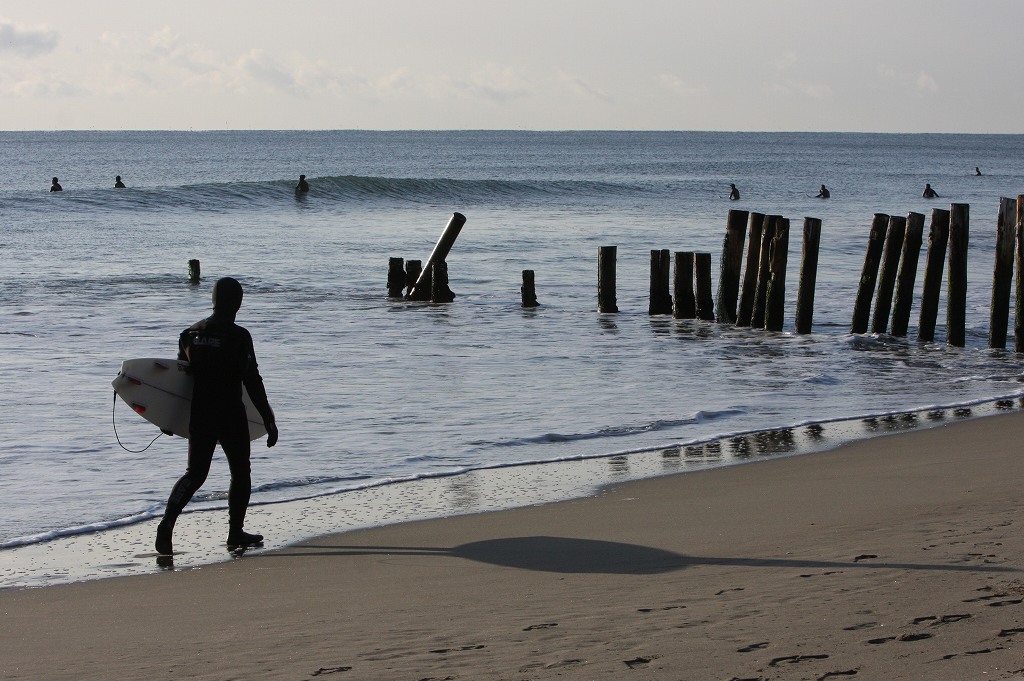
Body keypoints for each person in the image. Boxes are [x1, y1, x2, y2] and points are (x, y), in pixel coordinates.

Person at [155, 277, 279, 555]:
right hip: (230, 413)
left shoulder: (189, 334)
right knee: (240, 471)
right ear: (238, 302)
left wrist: (167, 418)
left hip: (200, 414)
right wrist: (268, 420)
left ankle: (166, 523)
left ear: (213, 300)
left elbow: (180, 382)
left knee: (195, 473)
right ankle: (235, 532)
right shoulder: (238, 336)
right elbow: (252, 380)